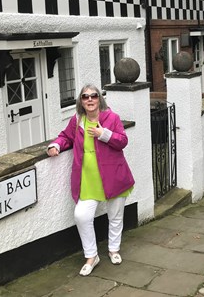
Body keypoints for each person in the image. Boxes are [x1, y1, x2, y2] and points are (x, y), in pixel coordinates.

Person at [47, 84, 135, 276]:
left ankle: (114, 249)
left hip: (114, 175)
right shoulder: (77, 120)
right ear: (81, 101)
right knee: (81, 215)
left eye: (93, 96)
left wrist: (103, 134)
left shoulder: (112, 118)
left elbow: (123, 141)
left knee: (115, 215)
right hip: (87, 177)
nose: (89, 99)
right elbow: (65, 137)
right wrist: (56, 146)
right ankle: (91, 256)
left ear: (99, 99)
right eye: (85, 97)